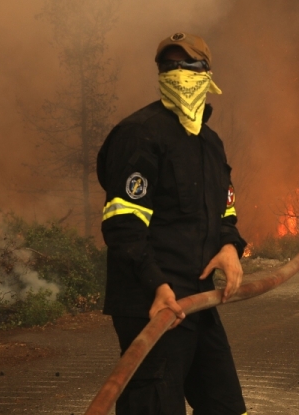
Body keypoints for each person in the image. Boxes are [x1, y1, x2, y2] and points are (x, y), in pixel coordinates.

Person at [96, 32, 248, 415]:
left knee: (226, 405)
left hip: (196, 299)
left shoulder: (210, 143)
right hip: (151, 301)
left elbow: (225, 211)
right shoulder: (140, 134)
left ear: (207, 74)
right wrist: (156, 286)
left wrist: (230, 247)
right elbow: (123, 223)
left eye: (188, 66)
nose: (178, 73)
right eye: (168, 66)